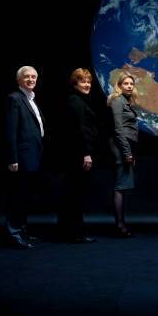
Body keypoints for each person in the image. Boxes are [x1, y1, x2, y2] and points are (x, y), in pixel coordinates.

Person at [5, 66, 45, 249]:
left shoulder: (31, 99)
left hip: (33, 156)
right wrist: (12, 158)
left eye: (33, 77)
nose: (31, 79)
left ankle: (23, 231)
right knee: (18, 196)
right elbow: (10, 132)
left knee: (26, 196)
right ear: (19, 80)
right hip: (21, 157)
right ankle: (14, 234)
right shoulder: (15, 98)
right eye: (27, 77)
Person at [57, 68, 98, 243]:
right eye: (83, 81)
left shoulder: (80, 100)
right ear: (75, 83)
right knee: (74, 194)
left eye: (88, 81)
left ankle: (73, 232)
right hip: (77, 156)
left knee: (75, 193)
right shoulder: (75, 101)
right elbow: (78, 130)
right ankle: (74, 234)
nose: (87, 84)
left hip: (78, 154)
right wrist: (86, 154)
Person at [108, 72, 138, 238]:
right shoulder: (117, 101)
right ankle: (119, 226)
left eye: (131, 84)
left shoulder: (124, 101)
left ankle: (121, 223)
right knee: (120, 187)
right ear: (119, 85)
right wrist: (127, 153)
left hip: (124, 147)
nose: (129, 86)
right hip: (120, 148)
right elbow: (118, 129)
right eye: (125, 83)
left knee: (123, 186)